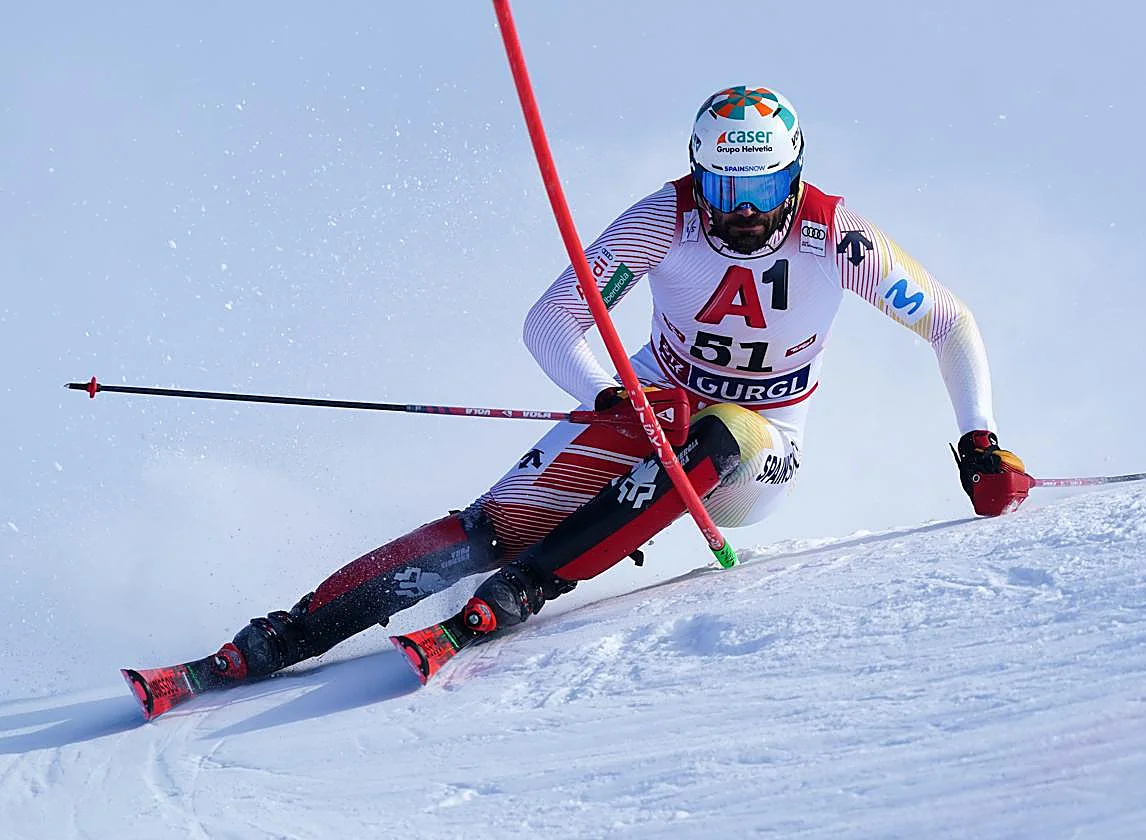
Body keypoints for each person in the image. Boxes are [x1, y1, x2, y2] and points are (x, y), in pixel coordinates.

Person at [201, 84, 1031, 684]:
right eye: (725, 190)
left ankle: (528, 588)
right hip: (651, 398)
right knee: (483, 526)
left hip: (762, 445)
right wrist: (610, 396)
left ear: (796, 176)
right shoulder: (662, 221)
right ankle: (288, 633)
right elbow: (551, 321)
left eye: (765, 190)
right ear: (698, 176)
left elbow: (950, 321)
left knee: (725, 431)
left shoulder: (835, 235)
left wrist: (979, 440)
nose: (743, 213)